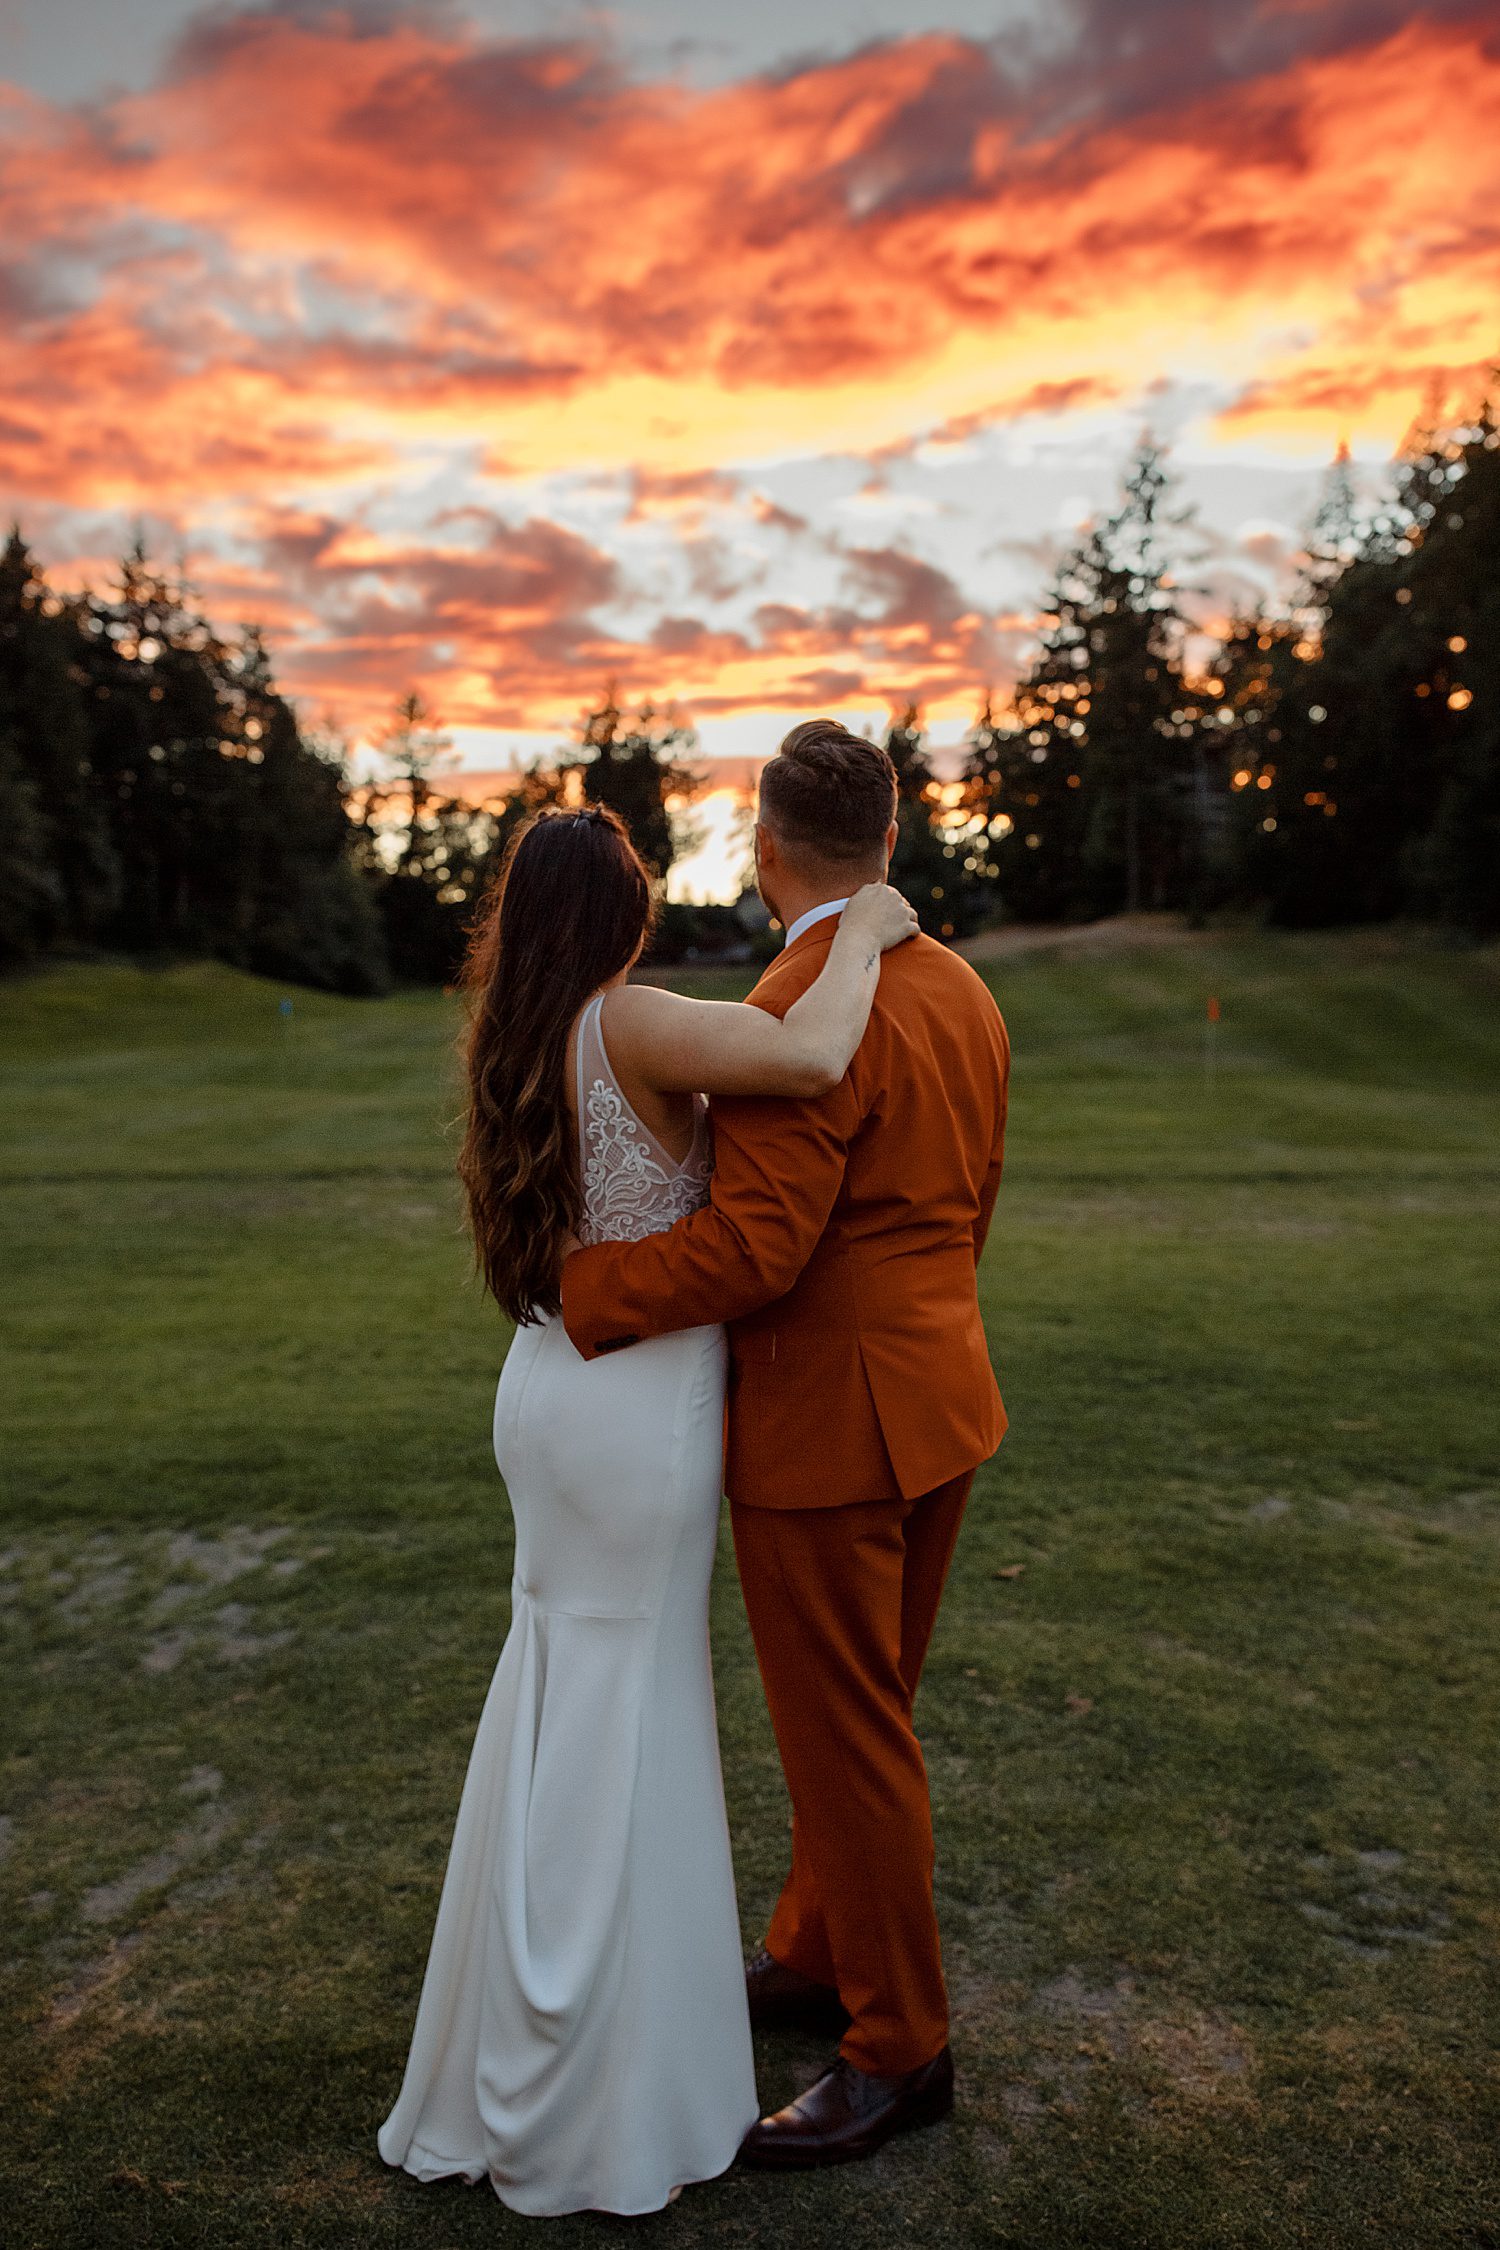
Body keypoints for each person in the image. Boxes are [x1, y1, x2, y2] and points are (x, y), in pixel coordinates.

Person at [377, 801, 917, 2219]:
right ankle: (594, 2086)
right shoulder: (639, 1021)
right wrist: (863, 920)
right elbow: (809, 1052)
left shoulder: (516, 1037)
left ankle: (514, 2042)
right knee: (634, 1699)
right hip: (641, 1406)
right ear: (618, 911)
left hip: (547, 1388)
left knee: (554, 1682)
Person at [562, 719, 1011, 2171]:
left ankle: (900, 2047)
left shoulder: (794, 1000)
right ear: (885, 839)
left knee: (848, 1737)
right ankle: (819, 1951)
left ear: (763, 850)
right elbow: (973, 1205)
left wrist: (584, 1289)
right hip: (946, 1396)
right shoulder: (965, 994)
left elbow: (755, 1249)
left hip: (828, 1427)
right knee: (871, 1712)